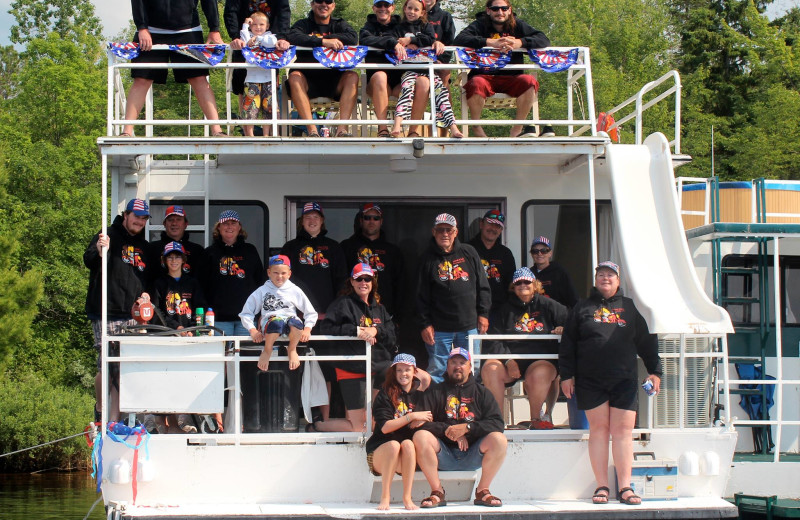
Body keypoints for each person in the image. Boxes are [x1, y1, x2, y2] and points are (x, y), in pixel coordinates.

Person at [559, 261, 662, 506]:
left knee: (623, 432)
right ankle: (602, 486)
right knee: (599, 431)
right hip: (590, 380)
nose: (605, 278)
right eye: (601, 274)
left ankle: (625, 487)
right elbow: (568, 344)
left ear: (618, 281)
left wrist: (655, 371)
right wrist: (566, 375)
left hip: (624, 379)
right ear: (595, 280)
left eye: (610, 275)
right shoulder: (581, 307)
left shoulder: (629, 307)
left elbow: (647, 341)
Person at [84, 198, 152, 421]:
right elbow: (89, 260)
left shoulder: (144, 245)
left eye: (144, 218)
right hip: (107, 311)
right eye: (136, 216)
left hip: (133, 315)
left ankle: (118, 419)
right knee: (107, 364)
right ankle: (101, 409)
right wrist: (99, 250)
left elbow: (148, 279)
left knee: (127, 368)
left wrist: (146, 295)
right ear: (126, 215)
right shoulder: (107, 234)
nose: (140, 221)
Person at [413, 348, 507, 508]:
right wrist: (450, 431)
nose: (458, 366)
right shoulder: (434, 392)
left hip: (473, 453)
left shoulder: (482, 393)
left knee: (499, 439)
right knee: (420, 436)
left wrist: (467, 428)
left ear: (470, 367)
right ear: (447, 366)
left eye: (462, 362)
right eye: (453, 362)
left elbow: (497, 423)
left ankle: (483, 491)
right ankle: (437, 492)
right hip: (443, 454)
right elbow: (420, 422)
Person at [122, 0, 226, 137]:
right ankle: (126, 132)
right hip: (151, 31)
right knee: (141, 79)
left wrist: (214, 29)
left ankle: (217, 130)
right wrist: (142, 27)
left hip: (188, 30)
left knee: (199, 78)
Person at [314, 264, 398, 432]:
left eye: (367, 279)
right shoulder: (342, 304)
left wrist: (376, 330)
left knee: (375, 422)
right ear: (351, 282)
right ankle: (317, 426)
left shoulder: (379, 308)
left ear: (373, 282)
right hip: (352, 367)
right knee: (359, 427)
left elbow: (392, 336)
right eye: (359, 279)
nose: (363, 282)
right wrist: (355, 331)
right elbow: (326, 328)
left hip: (380, 368)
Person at [481, 267, 567, 429]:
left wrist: (563, 328)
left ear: (535, 284)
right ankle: (497, 421)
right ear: (513, 287)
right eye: (518, 283)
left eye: (527, 282)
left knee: (538, 374)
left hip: (542, 360)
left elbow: (571, 322)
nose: (522, 285)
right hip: (512, 360)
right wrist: (508, 360)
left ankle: (536, 420)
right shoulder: (504, 310)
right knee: (490, 368)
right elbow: (493, 340)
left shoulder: (550, 305)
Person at [453, 0, 551, 138]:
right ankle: (476, 126)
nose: (500, 12)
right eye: (495, 9)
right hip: (484, 76)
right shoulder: (480, 24)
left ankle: (517, 129)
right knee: (476, 83)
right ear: (488, 10)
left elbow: (544, 40)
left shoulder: (517, 24)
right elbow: (459, 39)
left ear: (509, 10)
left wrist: (520, 42)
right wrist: (489, 42)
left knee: (529, 81)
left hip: (512, 77)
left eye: (504, 8)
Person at [417, 213, 490, 383]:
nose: (445, 234)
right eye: (440, 230)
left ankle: (469, 407)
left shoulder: (469, 252)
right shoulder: (427, 259)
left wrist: (484, 314)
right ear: (433, 232)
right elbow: (420, 296)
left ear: (455, 232)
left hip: (469, 326)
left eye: (449, 230)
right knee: (437, 370)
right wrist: (424, 324)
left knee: (472, 368)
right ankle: (437, 408)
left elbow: (483, 287)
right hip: (439, 328)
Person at [149, 241, 209, 434]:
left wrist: (192, 328)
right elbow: (156, 311)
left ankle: (182, 422)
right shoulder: (158, 283)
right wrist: (177, 327)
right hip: (165, 337)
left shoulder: (193, 282)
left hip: (188, 337)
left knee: (183, 379)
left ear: (184, 260)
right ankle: (164, 422)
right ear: (164, 260)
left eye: (177, 257)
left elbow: (200, 307)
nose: (174, 261)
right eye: (170, 257)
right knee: (164, 379)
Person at [365, 353, 432, 510]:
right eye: (399, 370)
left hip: (405, 455)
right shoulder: (385, 394)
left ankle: (407, 498)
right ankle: (385, 497)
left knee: (408, 444)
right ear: (393, 373)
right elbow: (386, 427)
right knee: (394, 445)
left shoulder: (420, 395)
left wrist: (422, 419)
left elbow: (427, 379)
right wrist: (411, 416)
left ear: (414, 372)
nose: (403, 374)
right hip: (380, 452)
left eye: (407, 370)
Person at [285, 0, 360, 137]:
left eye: (328, 1)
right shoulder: (302, 24)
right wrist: (322, 42)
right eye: (319, 1)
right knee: (294, 76)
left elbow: (353, 38)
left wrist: (324, 38)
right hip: (307, 80)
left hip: (334, 79)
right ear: (312, 4)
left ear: (333, 5)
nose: (324, 4)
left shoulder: (339, 24)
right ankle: (312, 131)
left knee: (352, 76)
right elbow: (293, 37)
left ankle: (342, 130)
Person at [390, 0, 463, 138]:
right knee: (407, 91)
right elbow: (393, 40)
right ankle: (397, 126)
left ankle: (453, 127)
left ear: (422, 12)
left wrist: (411, 40)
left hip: (428, 69)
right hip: (409, 69)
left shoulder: (427, 25)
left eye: (416, 10)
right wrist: (401, 44)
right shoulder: (398, 27)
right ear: (404, 8)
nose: (412, 12)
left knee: (442, 94)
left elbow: (429, 39)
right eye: (409, 8)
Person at [239, 254, 317, 372]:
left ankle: (292, 349)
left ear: (289, 274)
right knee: (277, 323)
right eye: (275, 273)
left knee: (296, 323)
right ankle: (267, 350)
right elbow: (246, 313)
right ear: (269, 272)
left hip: (290, 323)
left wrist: (307, 329)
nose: (279, 276)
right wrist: (253, 330)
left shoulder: (294, 290)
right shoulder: (262, 291)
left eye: (283, 273)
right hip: (271, 323)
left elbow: (310, 312)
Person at [224, 0, 291, 127]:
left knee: (270, 87)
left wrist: (281, 37)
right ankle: (247, 128)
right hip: (244, 40)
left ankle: (270, 132)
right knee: (241, 83)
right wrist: (235, 36)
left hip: (270, 41)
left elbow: (283, 13)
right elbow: (230, 12)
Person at [204, 210, 265, 336]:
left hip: (247, 319)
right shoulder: (209, 253)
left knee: (244, 354)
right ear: (219, 228)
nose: (229, 226)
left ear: (239, 227)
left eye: (233, 223)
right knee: (220, 354)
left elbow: (261, 282)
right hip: (218, 319)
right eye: (225, 223)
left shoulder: (250, 250)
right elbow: (202, 284)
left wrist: (261, 313)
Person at [340, 203, 405, 319]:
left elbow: (400, 286)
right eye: (367, 218)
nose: (371, 221)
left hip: (384, 314)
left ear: (381, 221)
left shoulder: (392, 251)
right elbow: (340, 280)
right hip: (353, 313)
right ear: (361, 221)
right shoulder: (347, 247)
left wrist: (398, 316)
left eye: (376, 218)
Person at [358, 0, 403, 138]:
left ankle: (411, 130)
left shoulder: (403, 26)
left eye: (386, 5)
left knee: (419, 81)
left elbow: (420, 37)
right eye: (379, 5)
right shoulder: (366, 29)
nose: (383, 8)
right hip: (376, 83)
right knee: (380, 76)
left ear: (393, 8)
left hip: (399, 82)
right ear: (373, 8)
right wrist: (392, 42)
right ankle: (382, 129)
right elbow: (365, 40)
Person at [467, 209, 516, 326]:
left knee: (495, 345)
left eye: (497, 226)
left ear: (501, 230)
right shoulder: (467, 250)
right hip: (471, 312)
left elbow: (512, 285)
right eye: (490, 223)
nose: (493, 229)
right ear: (481, 224)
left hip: (499, 312)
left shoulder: (506, 254)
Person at [238, 12, 279, 137]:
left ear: (267, 26)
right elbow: (243, 39)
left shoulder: (269, 36)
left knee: (269, 108)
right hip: (251, 79)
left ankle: (267, 135)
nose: (258, 27)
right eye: (254, 24)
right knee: (250, 108)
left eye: (261, 24)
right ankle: (250, 135)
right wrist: (245, 25)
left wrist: (258, 38)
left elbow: (271, 42)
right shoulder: (247, 36)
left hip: (268, 78)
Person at [146, 205, 208, 282]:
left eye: (178, 219)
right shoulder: (152, 249)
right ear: (164, 224)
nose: (174, 223)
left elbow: (203, 281)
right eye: (170, 220)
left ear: (186, 224)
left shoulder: (197, 251)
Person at [529, 236, 578, 308]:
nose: (539, 254)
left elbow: (573, 299)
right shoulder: (529, 274)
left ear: (550, 253)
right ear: (532, 254)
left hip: (557, 316)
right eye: (535, 251)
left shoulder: (560, 272)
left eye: (543, 251)